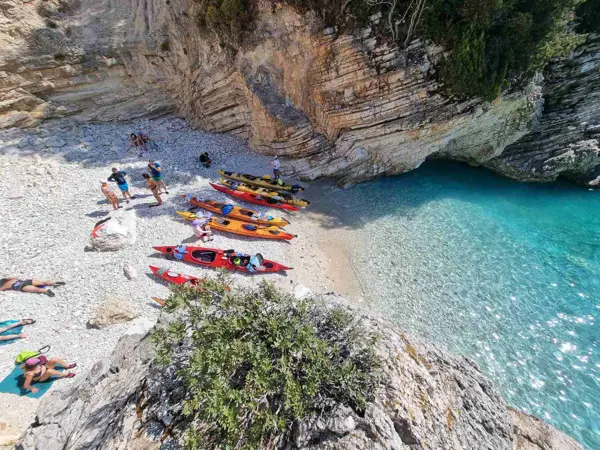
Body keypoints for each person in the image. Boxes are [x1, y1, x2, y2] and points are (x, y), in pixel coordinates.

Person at [0, 278, 65, 297]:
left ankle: (47, 291)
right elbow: (12, 277)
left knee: (37, 289)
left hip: (23, 287)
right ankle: (55, 282)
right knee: (43, 282)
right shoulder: (12, 279)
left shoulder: (5, 285)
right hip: (27, 281)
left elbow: (1, 290)